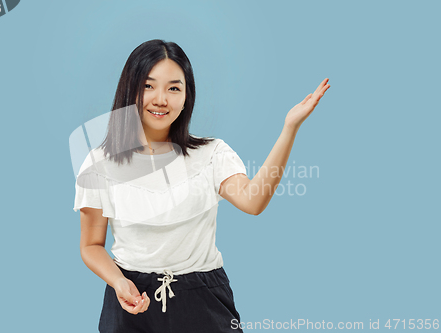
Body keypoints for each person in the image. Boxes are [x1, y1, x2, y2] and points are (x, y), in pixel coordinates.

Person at [73, 39, 330, 333]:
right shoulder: (99, 163)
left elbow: (253, 202)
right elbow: (91, 246)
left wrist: (289, 128)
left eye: (174, 88)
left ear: (186, 97)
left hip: (203, 299)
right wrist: (118, 281)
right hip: (131, 299)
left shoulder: (211, 154)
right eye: (148, 86)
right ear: (129, 89)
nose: (160, 99)